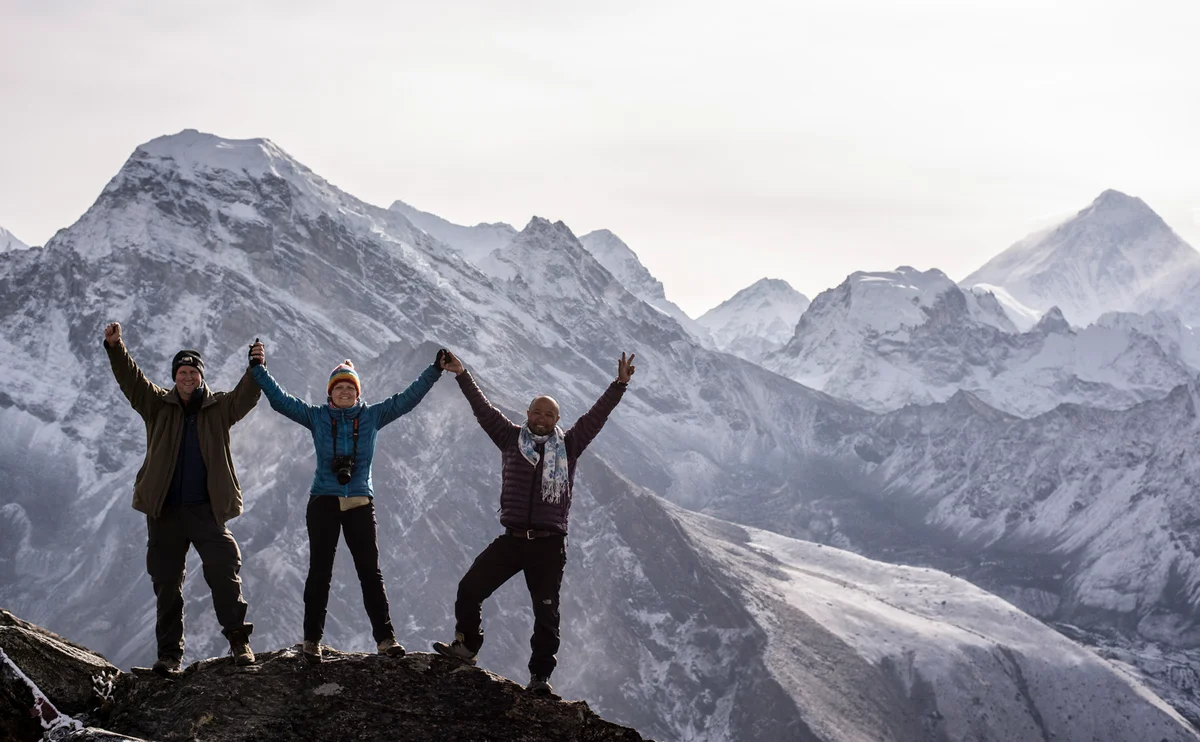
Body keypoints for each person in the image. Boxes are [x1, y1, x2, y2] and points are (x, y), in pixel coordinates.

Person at [433, 351, 635, 695]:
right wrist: (462, 374)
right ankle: (466, 648)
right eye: (536, 412)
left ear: (557, 419)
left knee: (546, 613)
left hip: (548, 543)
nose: (541, 418)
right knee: (470, 589)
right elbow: (483, 410)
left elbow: (596, 418)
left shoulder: (569, 446)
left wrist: (619, 385)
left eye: (549, 414)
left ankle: (540, 678)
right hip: (512, 539)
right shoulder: (510, 438)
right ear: (527, 415)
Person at [249, 344, 445, 663]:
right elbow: (280, 401)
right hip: (323, 501)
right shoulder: (317, 417)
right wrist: (258, 368)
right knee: (320, 573)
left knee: (370, 572)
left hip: (359, 503)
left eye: (349, 387)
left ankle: (386, 640)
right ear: (330, 393)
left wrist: (434, 370)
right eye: (338, 387)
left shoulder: (372, 416)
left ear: (357, 392)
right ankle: (312, 641)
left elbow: (408, 398)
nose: (344, 391)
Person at [102, 322, 261, 676]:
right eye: (182, 372)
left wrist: (255, 368)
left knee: (224, 569)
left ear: (201, 376)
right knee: (166, 583)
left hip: (206, 510)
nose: (187, 377)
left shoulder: (219, 408)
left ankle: (239, 643)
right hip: (165, 512)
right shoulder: (157, 405)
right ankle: (170, 657)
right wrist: (115, 347)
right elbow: (131, 380)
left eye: (193, 372)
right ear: (175, 376)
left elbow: (246, 397)